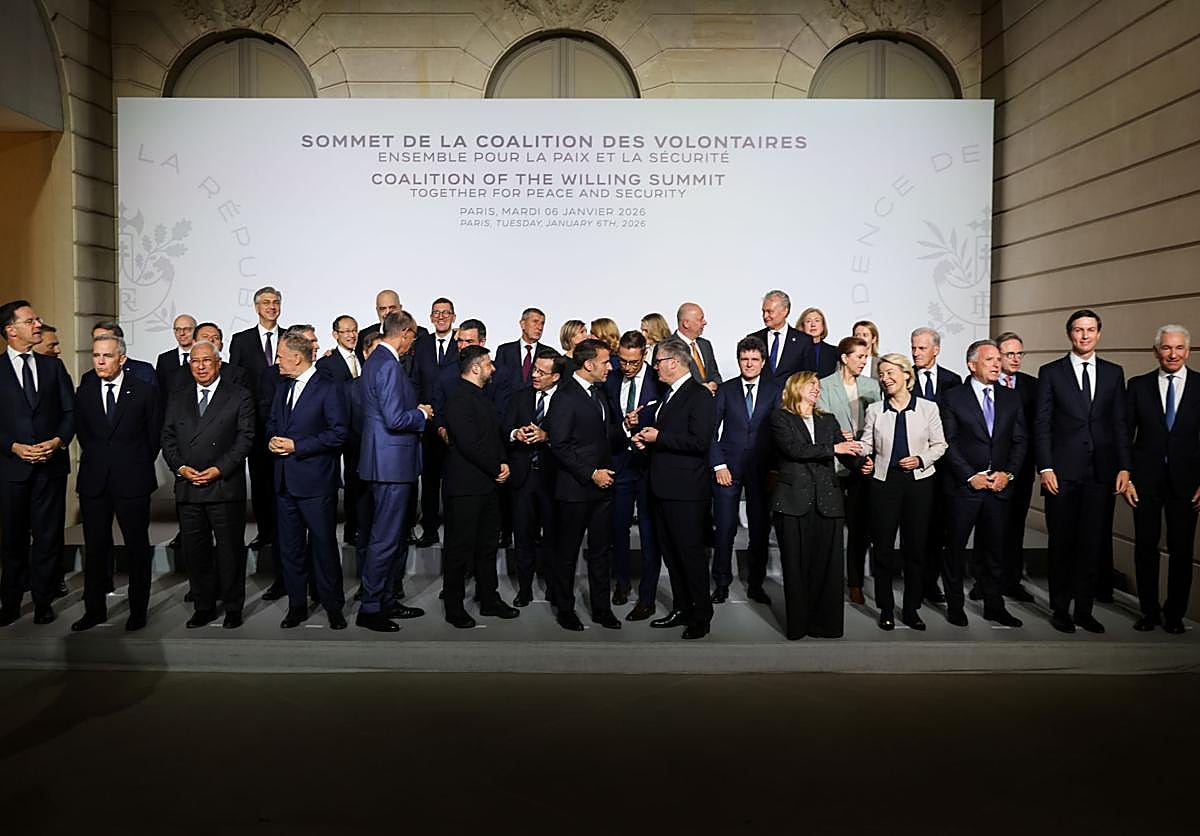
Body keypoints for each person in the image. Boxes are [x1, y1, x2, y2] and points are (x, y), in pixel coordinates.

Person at [1035, 309, 1131, 634]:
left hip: (1101, 472)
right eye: (1079, 330)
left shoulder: (1114, 373)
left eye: (1090, 330)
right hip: (1061, 472)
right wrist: (1045, 466)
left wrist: (1124, 466)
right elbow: (1042, 424)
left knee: (1092, 544)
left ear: (1099, 334)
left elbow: (1120, 424)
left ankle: (1084, 610)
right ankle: (1060, 609)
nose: (1085, 335)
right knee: (1062, 543)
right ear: (1069, 334)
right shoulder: (1051, 372)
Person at [161, 340, 255, 629]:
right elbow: (167, 437)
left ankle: (233, 606)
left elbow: (245, 439)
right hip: (188, 485)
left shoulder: (238, 395)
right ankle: (203, 606)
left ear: (218, 363)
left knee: (230, 551)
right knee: (195, 551)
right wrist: (181, 468)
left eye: (206, 361)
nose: (200, 366)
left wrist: (219, 469)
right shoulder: (178, 396)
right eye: (194, 361)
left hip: (224, 485)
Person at [70, 333, 161, 632]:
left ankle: (138, 610)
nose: (100, 361)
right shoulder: (84, 393)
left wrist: (132, 463)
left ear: (122, 359)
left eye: (107, 356)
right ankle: (94, 610)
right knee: (95, 548)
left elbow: (153, 437)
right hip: (95, 481)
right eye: (96, 355)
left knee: (136, 547)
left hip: (133, 479)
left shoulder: (144, 391)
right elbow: (84, 435)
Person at [632, 336, 718, 639]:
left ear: (674, 362)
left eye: (658, 362)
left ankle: (701, 615)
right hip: (663, 487)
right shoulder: (668, 395)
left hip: (687, 491)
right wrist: (647, 441)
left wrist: (660, 438)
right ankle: (682, 608)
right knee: (671, 554)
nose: (655, 368)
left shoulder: (699, 395)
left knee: (690, 555)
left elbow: (700, 441)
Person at [938, 340, 1027, 628]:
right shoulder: (953, 398)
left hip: (999, 487)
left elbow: (1020, 441)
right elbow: (948, 442)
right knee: (955, 549)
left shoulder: (1011, 398)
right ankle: (955, 606)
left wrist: (1007, 475)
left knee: (995, 551)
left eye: (998, 359)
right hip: (964, 488)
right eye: (990, 359)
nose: (997, 364)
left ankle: (994, 606)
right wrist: (970, 476)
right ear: (971, 364)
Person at [268, 330, 349, 630]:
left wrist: (297, 446)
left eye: (280, 356)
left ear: (296, 358)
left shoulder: (329, 388)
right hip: (284, 483)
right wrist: (271, 440)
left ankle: (333, 606)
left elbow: (338, 433)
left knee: (323, 547)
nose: (277, 361)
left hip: (316, 484)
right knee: (290, 549)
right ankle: (297, 606)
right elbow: (273, 423)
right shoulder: (282, 387)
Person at [860, 353, 947, 631]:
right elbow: (867, 443)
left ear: (906, 374)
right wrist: (859, 452)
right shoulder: (875, 410)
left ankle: (911, 608)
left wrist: (921, 459)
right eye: (881, 374)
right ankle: (886, 608)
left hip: (918, 484)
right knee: (883, 549)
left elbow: (940, 445)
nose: (884, 378)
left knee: (915, 549)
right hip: (884, 483)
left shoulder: (928, 408)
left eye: (890, 373)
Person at [770, 371, 860, 639]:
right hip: (793, 502)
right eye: (811, 384)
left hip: (828, 501)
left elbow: (844, 452)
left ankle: (826, 625)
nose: (817, 389)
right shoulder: (780, 418)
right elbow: (794, 449)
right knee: (795, 567)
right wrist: (835, 449)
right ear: (796, 387)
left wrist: (860, 463)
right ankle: (799, 626)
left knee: (828, 567)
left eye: (818, 385)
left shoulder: (828, 419)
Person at [0, 300, 74, 626]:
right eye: (30, 321)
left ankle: (43, 601)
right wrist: (13, 446)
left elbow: (70, 412)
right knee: (12, 540)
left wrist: (57, 442)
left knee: (48, 537)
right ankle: (11, 602)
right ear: (11, 330)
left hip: (50, 467)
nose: (38, 324)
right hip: (11, 469)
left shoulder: (52, 367)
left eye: (37, 319)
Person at [357, 311, 431, 632]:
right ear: (405, 333)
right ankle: (371, 607)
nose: (413, 342)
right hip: (390, 464)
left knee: (392, 537)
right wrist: (421, 413)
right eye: (413, 336)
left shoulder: (379, 361)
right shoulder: (387, 364)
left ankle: (385, 600)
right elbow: (395, 419)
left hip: (389, 462)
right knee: (385, 538)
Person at [1123, 325, 1198, 635]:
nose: (1172, 354)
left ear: (1188, 351)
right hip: (1145, 481)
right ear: (1156, 352)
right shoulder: (1138, 386)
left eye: (1179, 348)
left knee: (1182, 551)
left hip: (1187, 484)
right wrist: (1126, 476)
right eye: (1166, 347)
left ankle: (1175, 615)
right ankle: (1149, 612)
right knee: (1145, 547)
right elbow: (1124, 435)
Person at [547, 339, 624, 631]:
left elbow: (600, 436)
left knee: (601, 552)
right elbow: (560, 444)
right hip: (575, 488)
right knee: (567, 552)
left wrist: (625, 428)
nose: (610, 367)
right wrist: (591, 473)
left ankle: (602, 609)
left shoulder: (599, 393)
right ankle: (565, 609)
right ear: (589, 364)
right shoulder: (565, 396)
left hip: (603, 487)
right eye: (605, 362)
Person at [442, 345, 520, 627]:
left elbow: (492, 436)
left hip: (487, 485)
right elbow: (469, 443)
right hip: (465, 487)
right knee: (459, 549)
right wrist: (496, 467)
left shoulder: (482, 396)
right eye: (488, 364)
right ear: (475, 368)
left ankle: (489, 599)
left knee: (487, 546)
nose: (493, 368)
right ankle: (454, 606)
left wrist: (503, 462)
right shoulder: (458, 398)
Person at [710, 336, 779, 605]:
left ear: (763, 362)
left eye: (754, 359)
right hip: (728, 468)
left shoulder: (774, 390)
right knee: (725, 529)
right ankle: (721, 583)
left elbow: (779, 432)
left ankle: (756, 584)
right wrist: (718, 465)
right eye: (744, 359)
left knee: (759, 530)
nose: (749, 364)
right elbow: (710, 431)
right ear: (739, 361)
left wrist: (774, 470)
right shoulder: (726, 390)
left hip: (761, 470)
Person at [817, 335, 881, 605]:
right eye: (859, 357)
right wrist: (836, 435)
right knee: (829, 528)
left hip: (861, 464)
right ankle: (827, 582)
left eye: (866, 357)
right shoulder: (823, 385)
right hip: (833, 465)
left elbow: (878, 424)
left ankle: (855, 582)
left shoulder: (872, 386)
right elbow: (820, 421)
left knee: (859, 528)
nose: (864, 362)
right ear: (844, 357)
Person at [605, 330, 662, 617]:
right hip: (620, 463)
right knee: (618, 527)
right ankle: (622, 582)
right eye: (623, 361)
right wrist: (625, 427)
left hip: (650, 464)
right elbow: (605, 422)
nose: (627, 367)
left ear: (644, 355)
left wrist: (646, 432)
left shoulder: (658, 379)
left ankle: (647, 594)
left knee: (650, 532)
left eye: (633, 362)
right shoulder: (610, 378)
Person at [505, 348, 563, 607]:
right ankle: (525, 588)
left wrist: (547, 437)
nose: (535, 375)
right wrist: (515, 433)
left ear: (556, 376)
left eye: (542, 372)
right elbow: (505, 427)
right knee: (523, 536)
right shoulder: (520, 396)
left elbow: (575, 435)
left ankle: (553, 586)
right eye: (534, 369)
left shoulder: (566, 399)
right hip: (523, 477)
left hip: (553, 478)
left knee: (553, 536)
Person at [228, 285, 283, 551]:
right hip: (255, 423)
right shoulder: (241, 340)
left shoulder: (290, 337)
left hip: (286, 420)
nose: (271, 307)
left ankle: (284, 531)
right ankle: (265, 532)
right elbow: (235, 380)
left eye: (276, 302)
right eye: (266, 302)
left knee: (283, 481)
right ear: (256, 307)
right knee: (260, 481)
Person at [910, 326, 962, 605]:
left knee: (938, 528)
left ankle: (930, 582)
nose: (916, 353)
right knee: (915, 527)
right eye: (913, 347)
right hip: (912, 463)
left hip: (943, 467)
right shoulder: (905, 378)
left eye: (922, 348)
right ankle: (915, 584)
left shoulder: (953, 381)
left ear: (936, 350)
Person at [993, 331, 1038, 602]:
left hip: (1021, 469)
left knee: (1015, 526)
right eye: (1010, 354)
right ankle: (986, 580)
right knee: (990, 526)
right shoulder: (984, 382)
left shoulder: (1033, 386)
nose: (1016, 359)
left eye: (1019, 353)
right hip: (991, 468)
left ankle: (1012, 581)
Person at [411, 298, 459, 547]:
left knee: (453, 479)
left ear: (453, 317)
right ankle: (429, 530)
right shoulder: (422, 344)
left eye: (445, 313)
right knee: (429, 480)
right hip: (428, 422)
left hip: (455, 421)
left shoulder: (462, 342)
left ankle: (453, 531)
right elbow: (415, 380)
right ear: (430, 318)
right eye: (436, 313)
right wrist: (419, 410)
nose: (441, 317)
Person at [316, 314, 363, 546]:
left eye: (354, 330)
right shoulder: (326, 363)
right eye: (346, 331)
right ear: (335, 335)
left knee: (357, 481)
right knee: (333, 481)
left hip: (360, 431)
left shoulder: (365, 356)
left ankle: (355, 528)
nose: (351, 335)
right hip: (336, 429)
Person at [751, 289, 814, 385]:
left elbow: (808, 376)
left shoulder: (803, 341)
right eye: (763, 311)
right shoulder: (754, 339)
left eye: (770, 311)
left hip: (791, 393)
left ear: (785, 311)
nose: (765, 316)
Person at [355, 289, 428, 363]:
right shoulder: (364, 335)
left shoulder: (420, 333)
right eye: (382, 309)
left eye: (392, 308)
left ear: (400, 308)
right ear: (377, 310)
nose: (387, 312)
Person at [81, 321, 158, 390]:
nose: (101, 343)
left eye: (107, 338)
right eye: (96, 339)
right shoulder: (88, 378)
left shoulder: (143, 372)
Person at [495, 307, 549, 389]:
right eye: (535, 322)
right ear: (522, 324)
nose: (540, 327)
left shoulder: (548, 353)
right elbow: (497, 382)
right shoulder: (504, 351)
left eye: (542, 323)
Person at [674, 302, 720, 393]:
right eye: (700, 319)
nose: (705, 322)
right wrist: (700, 389)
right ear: (686, 323)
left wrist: (715, 384)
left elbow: (714, 373)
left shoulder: (705, 344)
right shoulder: (667, 347)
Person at [155, 313, 197, 391]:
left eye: (186, 329)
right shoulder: (164, 359)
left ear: (196, 330)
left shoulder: (202, 357)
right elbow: (160, 389)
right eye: (178, 329)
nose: (182, 333)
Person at [795, 307, 838, 378]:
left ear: (823, 326)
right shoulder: (793, 350)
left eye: (817, 321)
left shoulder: (834, 351)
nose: (813, 325)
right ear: (802, 327)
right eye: (808, 321)